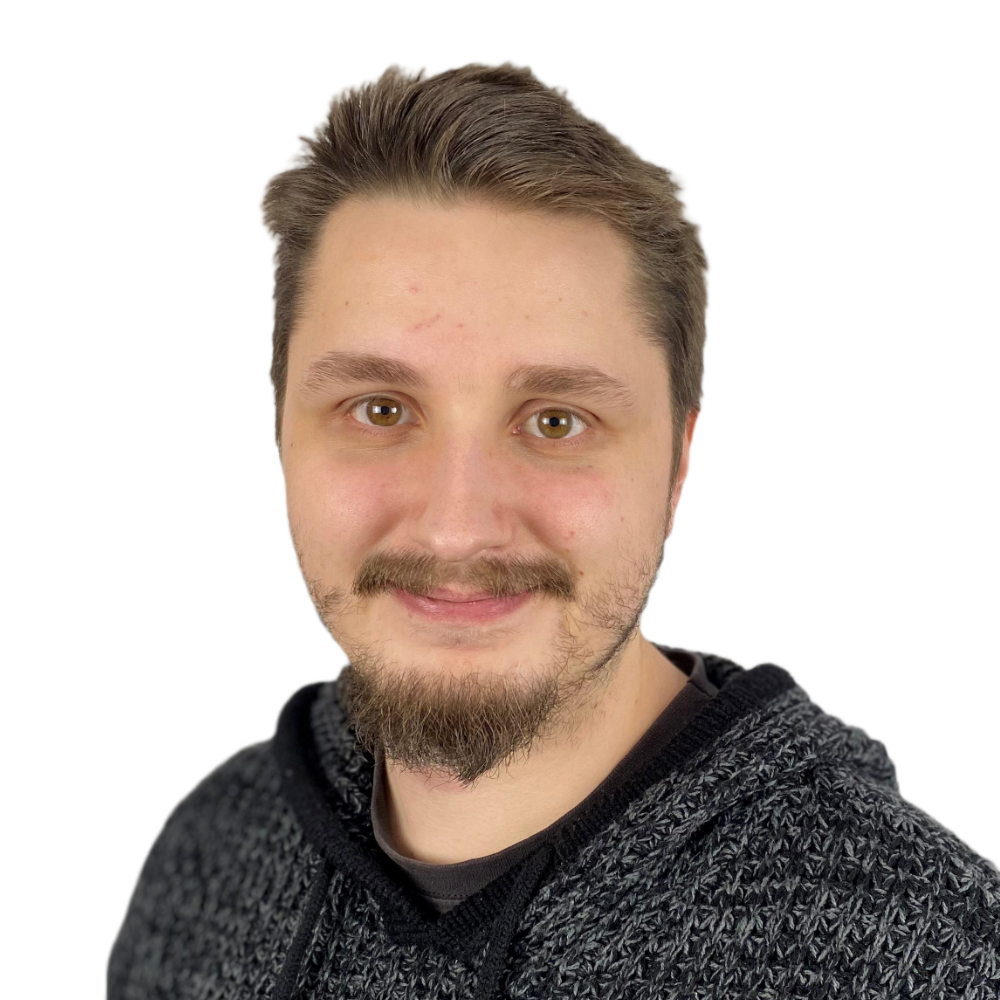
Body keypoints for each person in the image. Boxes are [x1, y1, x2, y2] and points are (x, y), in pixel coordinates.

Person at [105, 59, 999, 1000]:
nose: (456, 529)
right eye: (379, 410)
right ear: (281, 432)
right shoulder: (211, 853)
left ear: (679, 462)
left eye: (556, 421)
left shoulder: (933, 955)